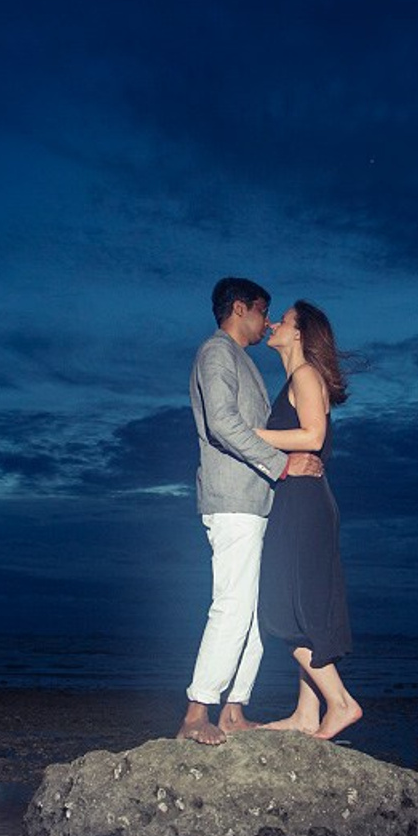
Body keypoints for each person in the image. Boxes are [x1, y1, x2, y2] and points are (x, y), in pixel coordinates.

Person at [178, 278, 324, 746]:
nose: (267, 322)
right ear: (240, 309)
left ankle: (234, 710)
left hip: (256, 501)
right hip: (233, 500)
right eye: (263, 312)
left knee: (256, 611)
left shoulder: (242, 361)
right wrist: (283, 466)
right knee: (232, 604)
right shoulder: (217, 352)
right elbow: (223, 425)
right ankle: (197, 710)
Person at [254, 300, 361, 741]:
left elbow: (313, 436)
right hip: (304, 500)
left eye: (284, 320)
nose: (274, 323)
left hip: (303, 503)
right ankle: (306, 712)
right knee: (306, 603)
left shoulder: (304, 375)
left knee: (281, 608)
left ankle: (340, 703)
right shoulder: (295, 379)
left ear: (299, 334)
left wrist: (248, 436)